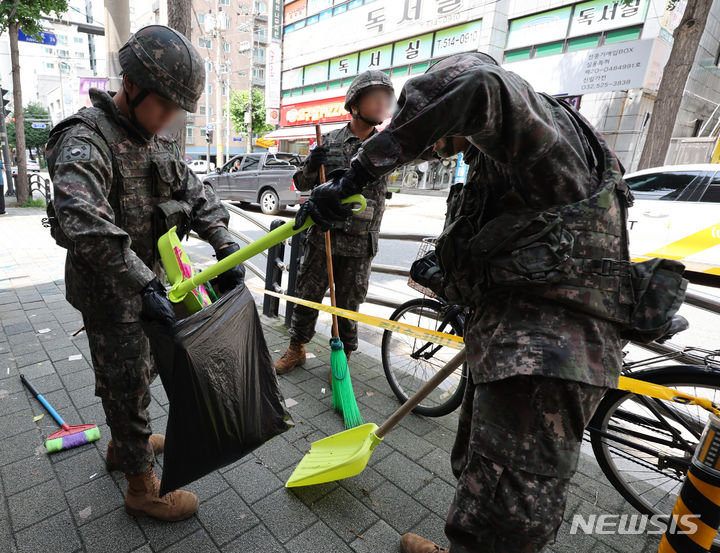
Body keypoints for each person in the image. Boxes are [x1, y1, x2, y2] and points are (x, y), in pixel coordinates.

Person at [294, 52, 633, 553]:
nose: (433, 145)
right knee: (478, 475)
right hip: (507, 341)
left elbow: (476, 86)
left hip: (544, 360)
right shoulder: (511, 151)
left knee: (509, 516)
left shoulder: (532, 127)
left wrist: (353, 178)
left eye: (436, 127)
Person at [46, 25, 245, 522]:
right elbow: (84, 222)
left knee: (144, 371)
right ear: (131, 86)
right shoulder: (85, 139)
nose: (170, 119)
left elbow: (198, 194)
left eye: (178, 110)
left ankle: (123, 448)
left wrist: (224, 244)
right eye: (165, 106)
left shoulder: (155, 142)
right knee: (126, 381)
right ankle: (142, 489)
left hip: (152, 286)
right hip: (110, 293)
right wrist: (144, 283)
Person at [274, 70, 394, 374]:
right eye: (375, 97)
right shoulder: (328, 142)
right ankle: (296, 348)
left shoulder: (388, 147)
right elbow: (301, 183)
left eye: (386, 97)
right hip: (322, 236)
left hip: (359, 243)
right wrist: (312, 165)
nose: (383, 103)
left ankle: (343, 360)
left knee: (348, 307)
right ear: (354, 104)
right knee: (307, 296)